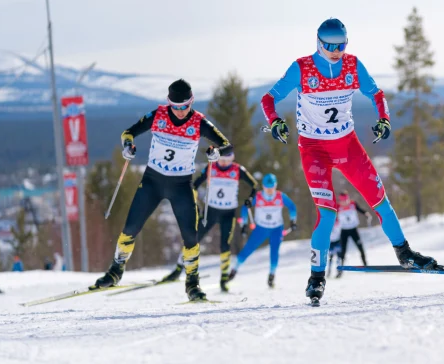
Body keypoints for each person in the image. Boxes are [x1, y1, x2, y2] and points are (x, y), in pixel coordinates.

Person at [260, 18, 442, 302]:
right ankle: (316, 278)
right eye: (330, 45)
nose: (336, 50)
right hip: (314, 149)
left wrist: (384, 119)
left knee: (379, 200)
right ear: (318, 44)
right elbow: (268, 99)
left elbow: (376, 94)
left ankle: (404, 254)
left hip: (347, 145)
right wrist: (274, 122)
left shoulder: (353, 65)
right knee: (327, 212)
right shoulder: (302, 68)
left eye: (341, 45)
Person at [91, 79, 233, 301]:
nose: (178, 111)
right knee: (130, 227)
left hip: (181, 185)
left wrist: (215, 152)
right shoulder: (158, 115)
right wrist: (128, 147)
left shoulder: (199, 122)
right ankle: (116, 271)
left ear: (191, 102)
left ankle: (192, 283)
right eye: (174, 106)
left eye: (183, 106)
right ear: (168, 103)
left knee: (190, 236)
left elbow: (226, 145)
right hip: (152, 182)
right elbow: (128, 133)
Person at [161, 150, 257, 292]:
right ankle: (178, 269)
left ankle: (224, 278)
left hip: (228, 213)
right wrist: (195, 204)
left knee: (225, 245)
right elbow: (194, 185)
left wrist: (250, 199)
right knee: (193, 239)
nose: (223, 163)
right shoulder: (211, 168)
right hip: (210, 211)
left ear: (232, 159)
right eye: (221, 160)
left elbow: (254, 185)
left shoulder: (238, 170)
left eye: (227, 160)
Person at [228, 174, 297, 288]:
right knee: (248, 248)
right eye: (267, 187)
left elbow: (292, 207)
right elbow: (245, 208)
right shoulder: (258, 196)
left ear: (275, 186)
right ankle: (234, 269)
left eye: (272, 187)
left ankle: (272, 274)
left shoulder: (280, 196)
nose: (269, 190)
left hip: (276, 228)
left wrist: (293, 221)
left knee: (274, 252)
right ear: (263, 187)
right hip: (261, 229)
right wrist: (244, 223)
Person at [335, 190, 372, 278]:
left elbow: (360, 210)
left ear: (348, 199)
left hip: (353, 229)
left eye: (345, 200)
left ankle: (365, 266)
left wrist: (366, 214)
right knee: (342, 251)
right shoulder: (338, 207)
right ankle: (340, 271)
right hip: (344, 231)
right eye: (342, 201)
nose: (344, 203)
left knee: (360, 248)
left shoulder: (353, 204)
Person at [326, 212, 341, 278]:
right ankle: (329, 271)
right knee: (330, 258)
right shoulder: (327, 222)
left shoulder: (338, 222)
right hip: (331, 242)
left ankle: (339, 271)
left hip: (337, 241)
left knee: (338, 257)